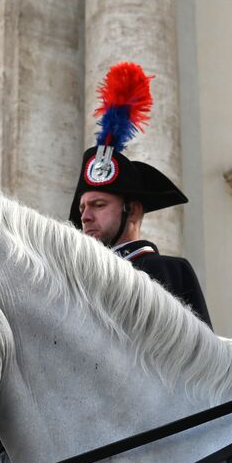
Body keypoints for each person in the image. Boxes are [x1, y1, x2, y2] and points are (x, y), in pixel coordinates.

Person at [69, 61, 211, 326]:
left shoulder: (168, 272)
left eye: (98, 205)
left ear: (132, 210)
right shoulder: (77, 283)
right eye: (82, 208)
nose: (85, 217)